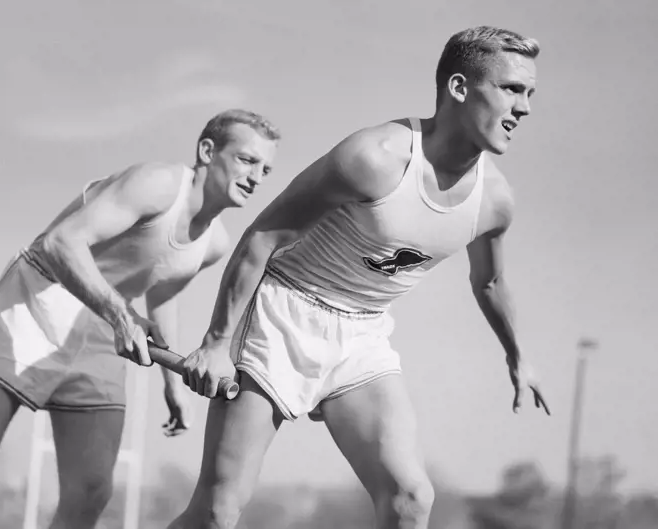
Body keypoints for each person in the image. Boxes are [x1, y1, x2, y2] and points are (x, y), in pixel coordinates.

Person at [170, 26, 551, 529]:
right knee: (216, 514)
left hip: (363, 331)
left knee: (410, 497)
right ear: (459, 88)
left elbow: (490, 282)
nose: (524, 107)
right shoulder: (375, 157)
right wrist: (217, 343)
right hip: (282, 313)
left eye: (529, 94)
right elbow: (262, 238)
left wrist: (518, 355)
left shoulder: (495, 201)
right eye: (511, 89)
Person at [0, 109, 280, 529]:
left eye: (266, 169)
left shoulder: (214, 243)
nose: (256, 177)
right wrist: (120, 315)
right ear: (207, 151)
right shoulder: (157, 185)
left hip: (101, 334)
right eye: (247, 160)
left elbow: (162, 292)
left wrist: (173, 384)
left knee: (91, 491)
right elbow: (61, 242)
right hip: (34, 304)